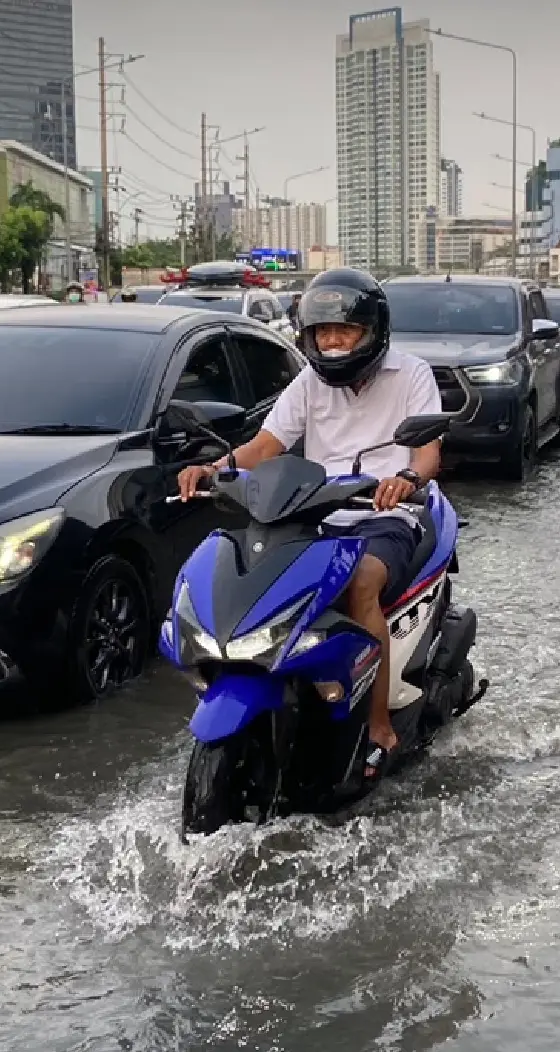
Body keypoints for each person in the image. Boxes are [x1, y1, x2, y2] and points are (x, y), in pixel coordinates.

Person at [175, 268, 442, 757]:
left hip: (385, 513)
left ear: (372, 332)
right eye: (324, 332)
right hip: (315, 512)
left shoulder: (412, 375)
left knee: (360, 582)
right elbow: (267, 445)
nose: (335, 342)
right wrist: (215, 468)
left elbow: (427, 452)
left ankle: (378, 723)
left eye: (345, 330)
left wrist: (407, 480)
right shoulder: (309, 383)